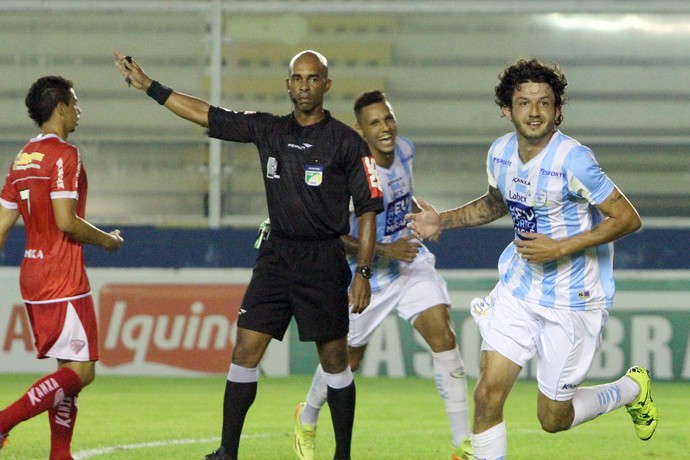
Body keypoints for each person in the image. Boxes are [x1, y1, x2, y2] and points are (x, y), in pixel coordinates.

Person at [113, 50, 383, 460]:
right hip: (276, 258)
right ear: (287, 84)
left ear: (326, 85)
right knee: (244, 351)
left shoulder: (347, 143)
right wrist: (151, 86)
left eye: (313, 79)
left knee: (334, 361)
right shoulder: (268, 129)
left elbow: (367, 210)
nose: (304, 86)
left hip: (323, 261)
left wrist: (362, 271)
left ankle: (342, 453)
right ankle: (227, 451)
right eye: (298, 78)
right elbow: (207, 114)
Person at [406, 58, 658, 459]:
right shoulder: (501, 152)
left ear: (558, 111)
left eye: (544, 102)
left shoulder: (575, 160)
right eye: (524, 102)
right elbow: (494, 204)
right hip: (519, 288)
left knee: (553, 418)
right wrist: (442, 220)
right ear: (507, 109)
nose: (534, 111)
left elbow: (628, 218)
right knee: (487, 393)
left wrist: (559, 247)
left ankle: (630, 389)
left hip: (572, 297)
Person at [293, 90, 472, 460]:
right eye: (375, 123)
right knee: (346, 360)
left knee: (444, 337)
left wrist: (424, 210)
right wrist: (385, 250)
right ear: (361, 131)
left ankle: (464, 446)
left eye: (388, 118)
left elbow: (404, 196)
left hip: (410, 265)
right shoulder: (347, 173)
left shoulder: (406, 149)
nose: (386, 128)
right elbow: (333, 234)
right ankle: (307, 415)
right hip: (368, 276)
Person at [0, 76, 124, 458]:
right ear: (60, 108)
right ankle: (4, 421)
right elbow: (67, 221)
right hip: (63, 277)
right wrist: (107, 239)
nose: (78, 110)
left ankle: (60, 453)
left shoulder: (22, 158)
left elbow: (2, 226)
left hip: (33, 277)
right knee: (82, 372)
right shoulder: (65, 155)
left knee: (66, 372)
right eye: (75, 102)